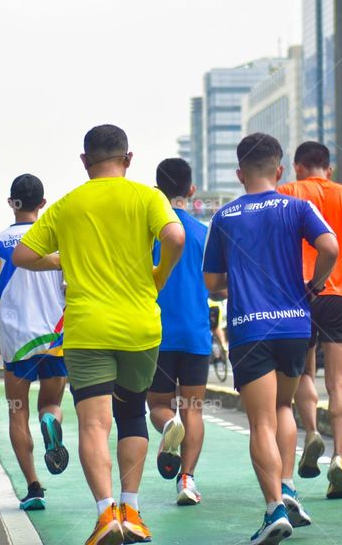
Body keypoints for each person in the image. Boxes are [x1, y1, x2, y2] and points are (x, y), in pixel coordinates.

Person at [12, 125, 185, 545]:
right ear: (128, 159)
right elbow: (175, 236)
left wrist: (63, 261)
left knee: (93, 423)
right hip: (139, 327)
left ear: (85, 161)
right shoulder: (148, 196)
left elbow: (22, 254)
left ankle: (105, 514)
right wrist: (158, 276)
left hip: (87, 328)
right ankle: (133, 512)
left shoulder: (68, 205)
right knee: (131, 416)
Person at [204, 133, 338, 544]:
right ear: (279, 171)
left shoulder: (224, 217)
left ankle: (273, 508)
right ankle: (288, 487)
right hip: (296, 326)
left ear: (239, 173)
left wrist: (235, 284)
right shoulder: (298, 206)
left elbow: (212, 282)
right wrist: (314, 285)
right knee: (284, 407)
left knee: (260, 420)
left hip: (250, 328)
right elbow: (330, 246)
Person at [278, 140, 342, 500]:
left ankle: (312, 433)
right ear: (328, 169)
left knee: (305, 374)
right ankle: (340, 458)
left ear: (297, 167)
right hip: (339, 296)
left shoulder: (286, 192)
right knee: (338, 380)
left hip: (299, 293)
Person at [0, 173, 69, 511]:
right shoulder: (57, 244)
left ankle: (34, 487)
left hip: (16, 342)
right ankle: (51, 421)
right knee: (51, 402)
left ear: (11, 203)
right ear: (43, 204)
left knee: (17, 412)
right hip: (54, 337)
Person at [146, 158, 213, 506]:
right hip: (196, 334)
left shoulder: (149, 232)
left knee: (158, 403)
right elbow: (217, 286)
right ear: (191, 190)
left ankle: (169, 423)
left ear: (156, 189)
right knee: (194, 409)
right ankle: (187, 480)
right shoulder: (204, 234)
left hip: (155, 333)